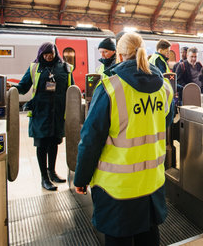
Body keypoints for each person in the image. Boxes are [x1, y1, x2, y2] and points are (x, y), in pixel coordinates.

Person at [73, 32, 174, 246]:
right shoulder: (165, 88)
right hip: (151, 184)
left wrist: (81, 178)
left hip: (117, 189)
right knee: (149, 237)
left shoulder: (110, 88)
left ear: (119, 56)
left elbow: (91, 140)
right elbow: (164, 124)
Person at [15, 42, 74, 191]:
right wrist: (12, 87)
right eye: (45, 54)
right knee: (42, 145)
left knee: (54, 143)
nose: (48, 56)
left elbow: (72, 89)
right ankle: (44, 178)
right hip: (40, 112)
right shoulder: (35, 68)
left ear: (56, 53)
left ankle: (52, 172)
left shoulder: (65, 68)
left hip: (58, 113)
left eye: (51, 54)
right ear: (40, 54)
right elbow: (23, 87)